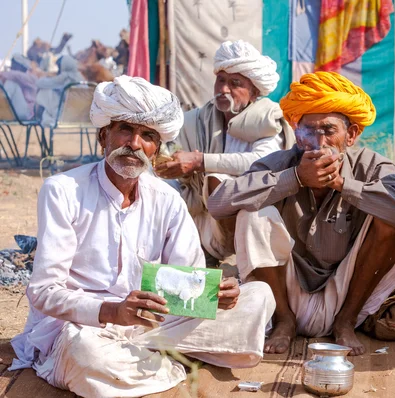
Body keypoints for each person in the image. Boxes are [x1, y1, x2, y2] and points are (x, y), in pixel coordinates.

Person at [9, 76, 275, 397]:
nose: (135, 144)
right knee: (87, 356)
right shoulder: (63, 191)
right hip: (83, 326)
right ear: (103, 136)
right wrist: (111, 311)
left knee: (259, 295)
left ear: (157, 148)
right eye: (125, 130)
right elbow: (43, 292)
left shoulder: (167, 199)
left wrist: (212, 295)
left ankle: (141, 360)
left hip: (152, 324)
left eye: (148, 135)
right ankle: (167, 362)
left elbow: (185, 281)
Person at [208, 71, 395, 356]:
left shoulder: (372, 165)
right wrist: (295, 178)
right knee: (251, 211)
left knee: (391, 216)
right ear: (297, 134)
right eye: (309, 130)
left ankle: (345, 323)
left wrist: (344, 185)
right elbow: (218, 204)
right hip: (285, 291)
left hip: (348, 292)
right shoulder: (280, 163)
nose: (318, 142)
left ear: (352, 135)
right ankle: (284, 320)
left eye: (329, 130)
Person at [155, 40, 294, 263]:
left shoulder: (267, 119)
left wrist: (201, 161)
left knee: (219, 183)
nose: (223, 90)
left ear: (254, 91)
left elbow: (265, 161)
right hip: (201, 217)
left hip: (251, 220)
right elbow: (168, 148)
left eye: (234, 83)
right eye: (220, 80)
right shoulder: (200, 119)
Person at [35, 54, 84, 126]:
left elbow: (40, 83)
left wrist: (46, 75)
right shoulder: (80, 77)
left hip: (68, 115)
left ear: (64, 66)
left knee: (45, 92)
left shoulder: (65, 76)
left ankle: (43, 118)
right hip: (82, 115)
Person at [0, 54, 38, 120]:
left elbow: (14, 74)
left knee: (11, 83)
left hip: (27, 113)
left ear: (21, 66)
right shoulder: (13, 77)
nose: (11, 67)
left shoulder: (30, 78)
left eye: (14, 64)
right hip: (15, 110)